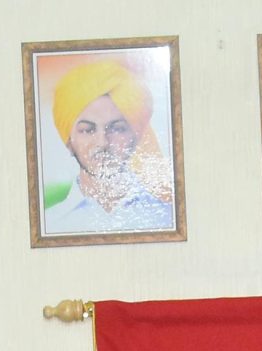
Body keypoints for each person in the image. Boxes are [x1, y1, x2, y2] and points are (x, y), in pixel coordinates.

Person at [42, 57, 175, 235]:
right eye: (87, 130)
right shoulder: (51, 223)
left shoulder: (166, 217)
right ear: (69, 142)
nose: (103, 142)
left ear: (136, 137)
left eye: (117, 129)